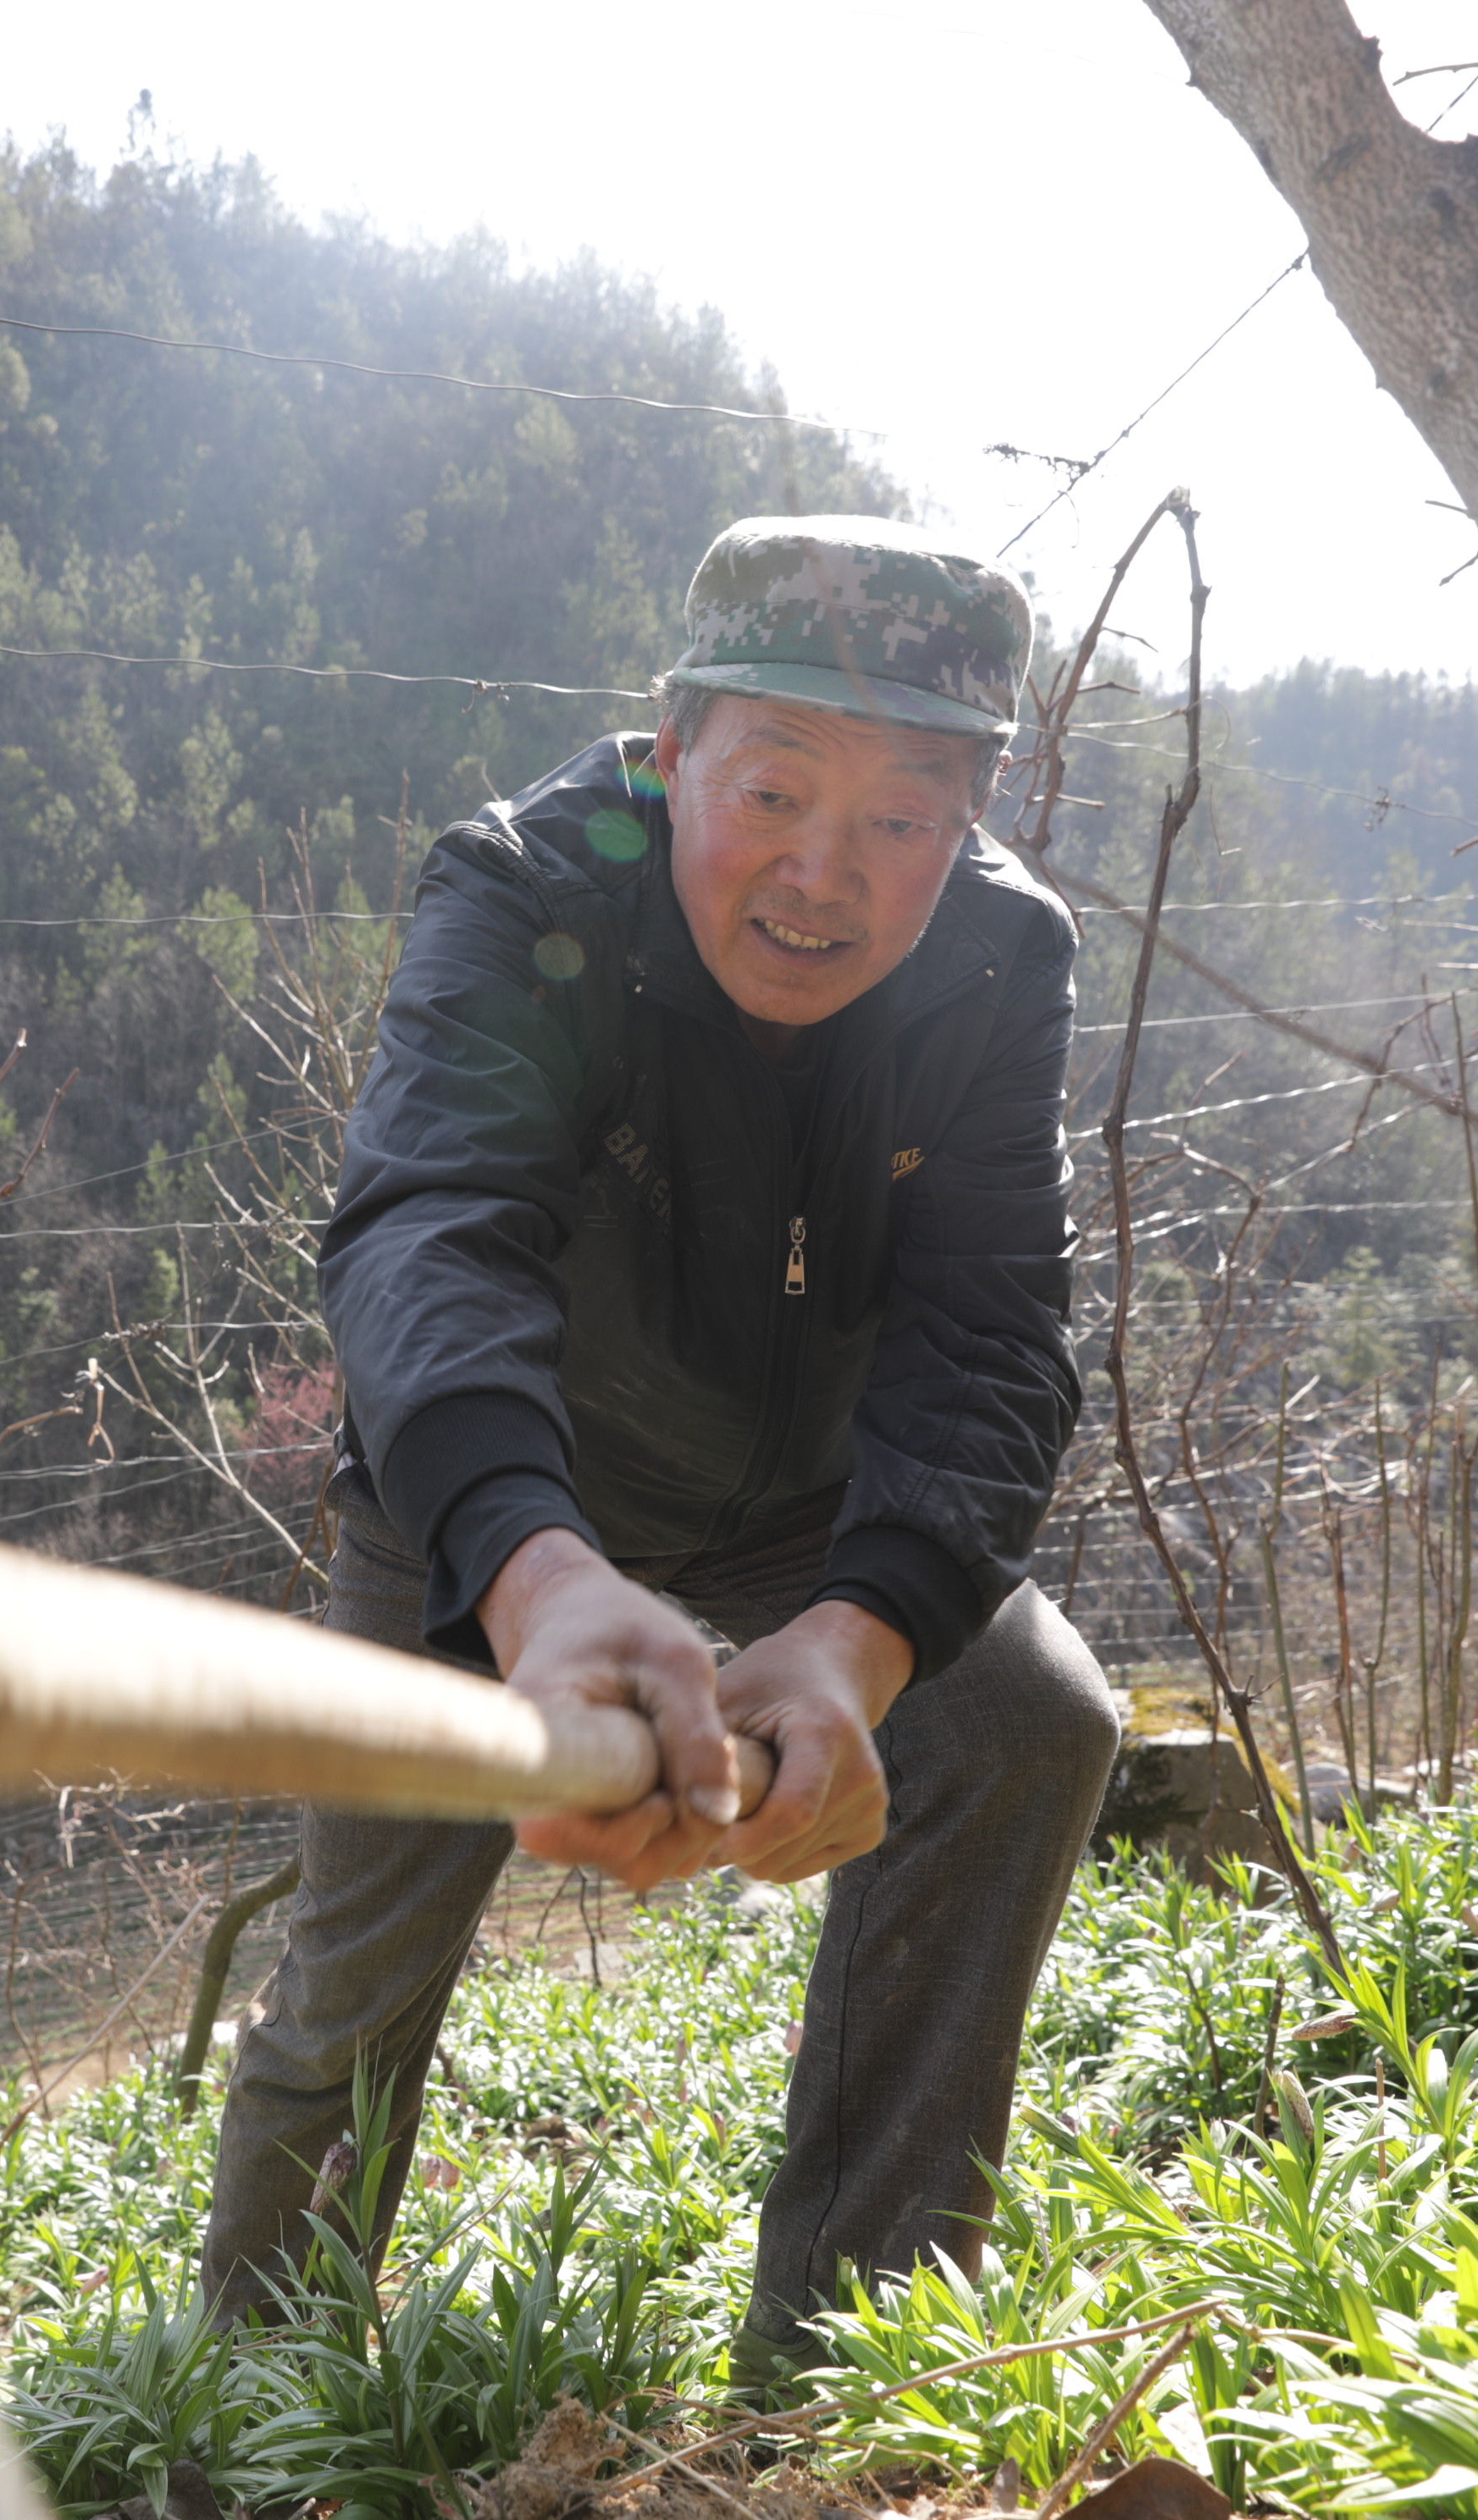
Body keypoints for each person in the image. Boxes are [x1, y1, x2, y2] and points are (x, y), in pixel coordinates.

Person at [198, 517, 1124, 2383]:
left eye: (900, 819)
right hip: (504, 1498)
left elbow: (990, 1324)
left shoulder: (996, 959)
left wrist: (864, 1635)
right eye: (771, 790)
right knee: (354, 1971)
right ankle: (256, 2417)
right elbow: (428, 1228)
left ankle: (849, 2362)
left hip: (815, 1511)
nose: (821, 875)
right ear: (674, 743)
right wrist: (531, 1575)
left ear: (970, 817)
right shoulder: (529, 890)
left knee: (1029, 1722)